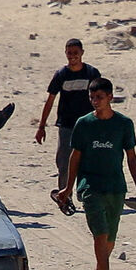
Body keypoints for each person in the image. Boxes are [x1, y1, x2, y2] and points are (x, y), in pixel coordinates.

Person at [55, 76, 136, 270]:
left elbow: (132, 157)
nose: (95, 101)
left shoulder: (124, 124)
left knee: (110, 240)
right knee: (100, 234)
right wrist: (68, 188)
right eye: (92, 97)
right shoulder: (84, 124)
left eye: (99, 97)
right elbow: (75, 156)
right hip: (90, 187)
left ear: (110, 97)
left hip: (116, 186)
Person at [36, 38, 100, 191]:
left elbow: (101, 98)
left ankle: (87, 195)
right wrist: (41, 126)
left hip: (89, 125)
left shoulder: (92, 73)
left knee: (89, 161)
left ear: (82, 53)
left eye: (75, 53)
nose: (72, 56)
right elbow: (50, 100)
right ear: (65, 53)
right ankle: (64, 196)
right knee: (64, 163)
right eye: (69, 53)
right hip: (66, 125)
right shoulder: (61, 75)